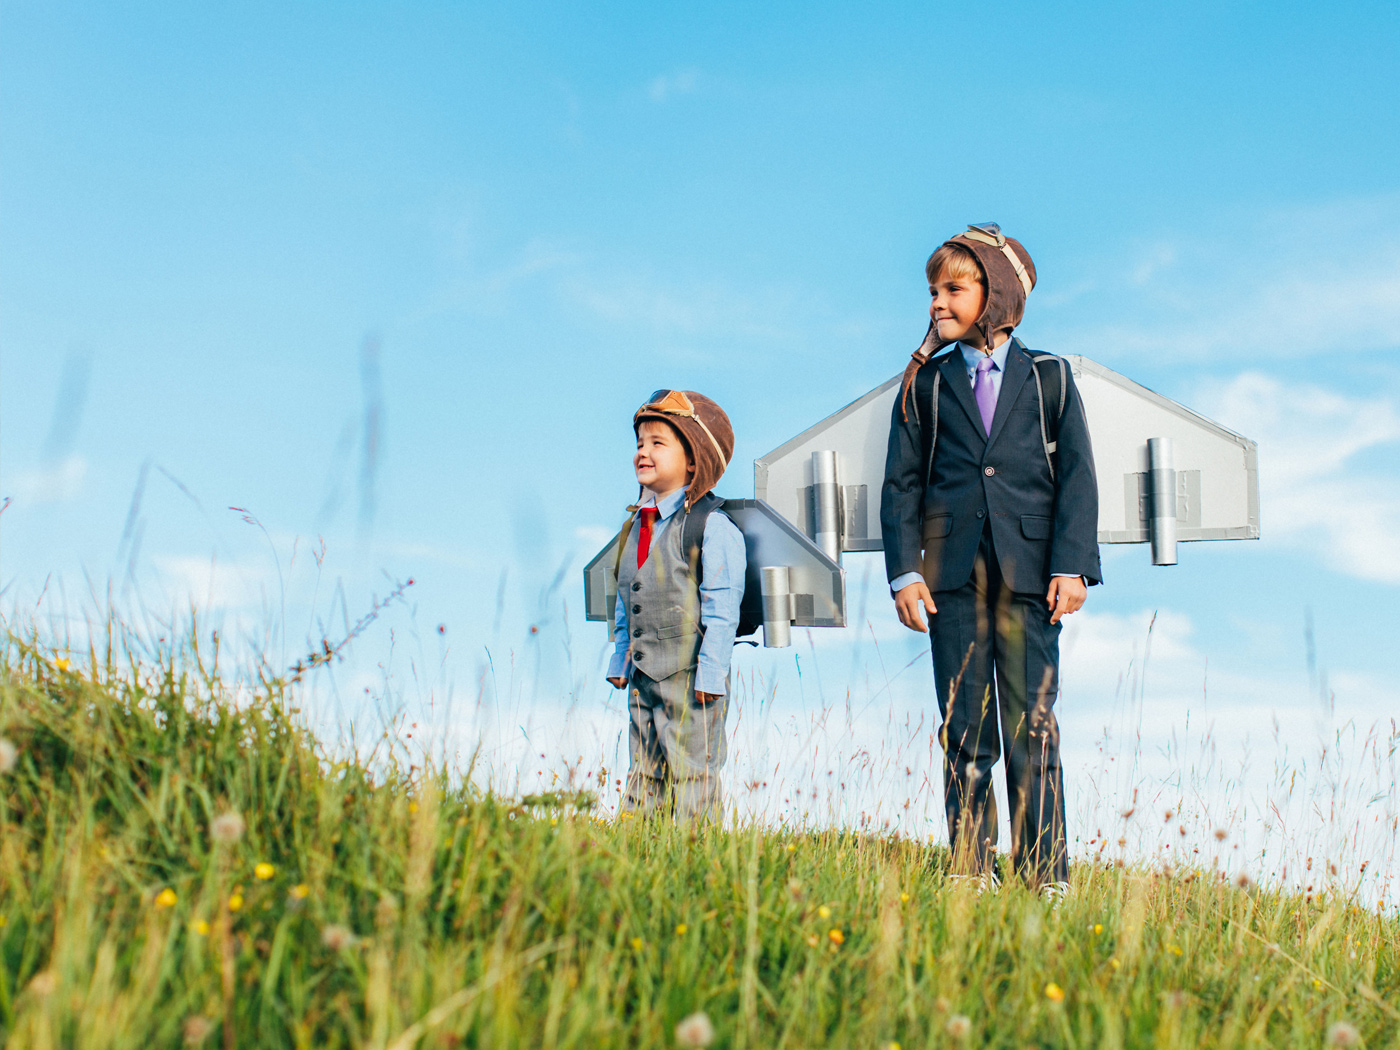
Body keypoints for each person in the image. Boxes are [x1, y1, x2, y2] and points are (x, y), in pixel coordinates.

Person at [880, 223, 1101, 895]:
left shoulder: (1052, 379)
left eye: (953, 288)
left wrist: (1072, 565)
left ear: (996, 292)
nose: (936, 303)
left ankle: (1043, 873)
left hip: (1033, 577)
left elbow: (1079, 480)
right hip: (950, 578)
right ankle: (972, 867)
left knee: (1031, 722)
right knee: (964, 723)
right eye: (931, 291)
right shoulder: (926, 383)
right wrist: (905, 571)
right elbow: (902, 482)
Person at [605, 389, 746, 821]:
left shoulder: (711, 526)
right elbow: (626, 598)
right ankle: (633, 855)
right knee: (643, 772)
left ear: (692, 460)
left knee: (692, 775)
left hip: (691, 679)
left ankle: (693, 861)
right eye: (639, 443)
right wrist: (620, 656)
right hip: (643, 677)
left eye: (657, 443)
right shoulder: (634, 528)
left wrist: (712, 672)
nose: (643, 452)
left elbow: (723, 610)